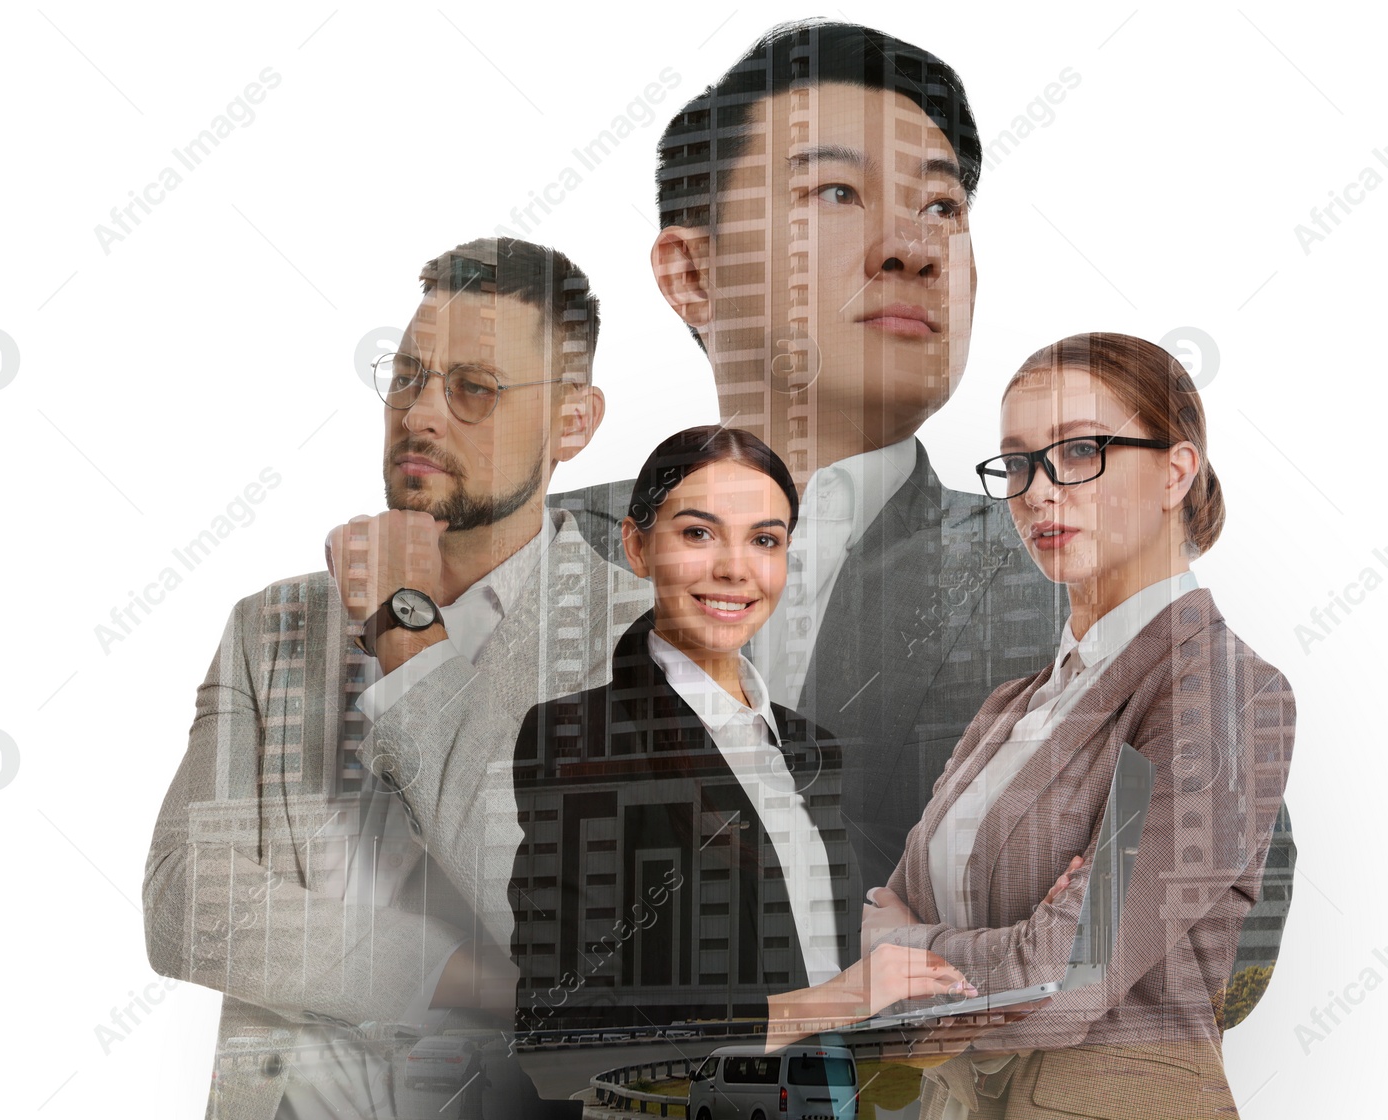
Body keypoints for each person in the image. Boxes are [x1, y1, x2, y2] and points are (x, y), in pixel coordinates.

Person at [549, 16, 1290, 1023]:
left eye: (942, 205)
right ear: (690, 272)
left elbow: (1212, 938)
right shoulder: (521, 565)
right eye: (835, 192)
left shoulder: (1068, 576)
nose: (911, 247)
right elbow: (406, 905)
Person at [142, 238, 650, 1120]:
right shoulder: (274, 627)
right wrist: (459, 977)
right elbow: (186, 903)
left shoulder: (639, 639)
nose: (421, 414)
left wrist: (399, 617)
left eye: (473, 389)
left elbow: (569, 935)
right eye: (407, 376)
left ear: (574, 421)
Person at [852, 333, 1297, 1118]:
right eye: (1019, 462)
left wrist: (904, 946)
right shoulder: (1011, 707)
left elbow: (1062, 980)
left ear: (1174, 471)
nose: (1038, 490)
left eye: (1081, 450)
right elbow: (906, 916)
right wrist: (1002, 947)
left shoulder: (1219, 690)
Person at [507, 426, 973, 1085]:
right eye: (698, 533)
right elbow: (565, 1035)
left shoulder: (808, 748)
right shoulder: (581, 737)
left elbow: (811, 982)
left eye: (764, 540)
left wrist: (903, 1029)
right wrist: (843, 1000)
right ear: (638, 547)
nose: (735, 567)